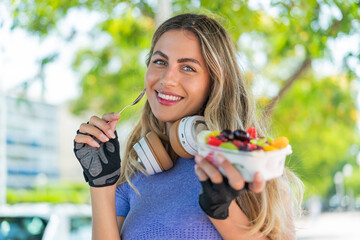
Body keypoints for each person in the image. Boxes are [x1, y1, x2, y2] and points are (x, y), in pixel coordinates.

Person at [73, 13, 303, 240]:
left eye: (188, 68)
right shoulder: (135, 177)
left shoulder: (255, 166)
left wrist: (222, 212)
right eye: (160, 62)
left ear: (215, 83)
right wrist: (101, 183)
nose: (166, 79)